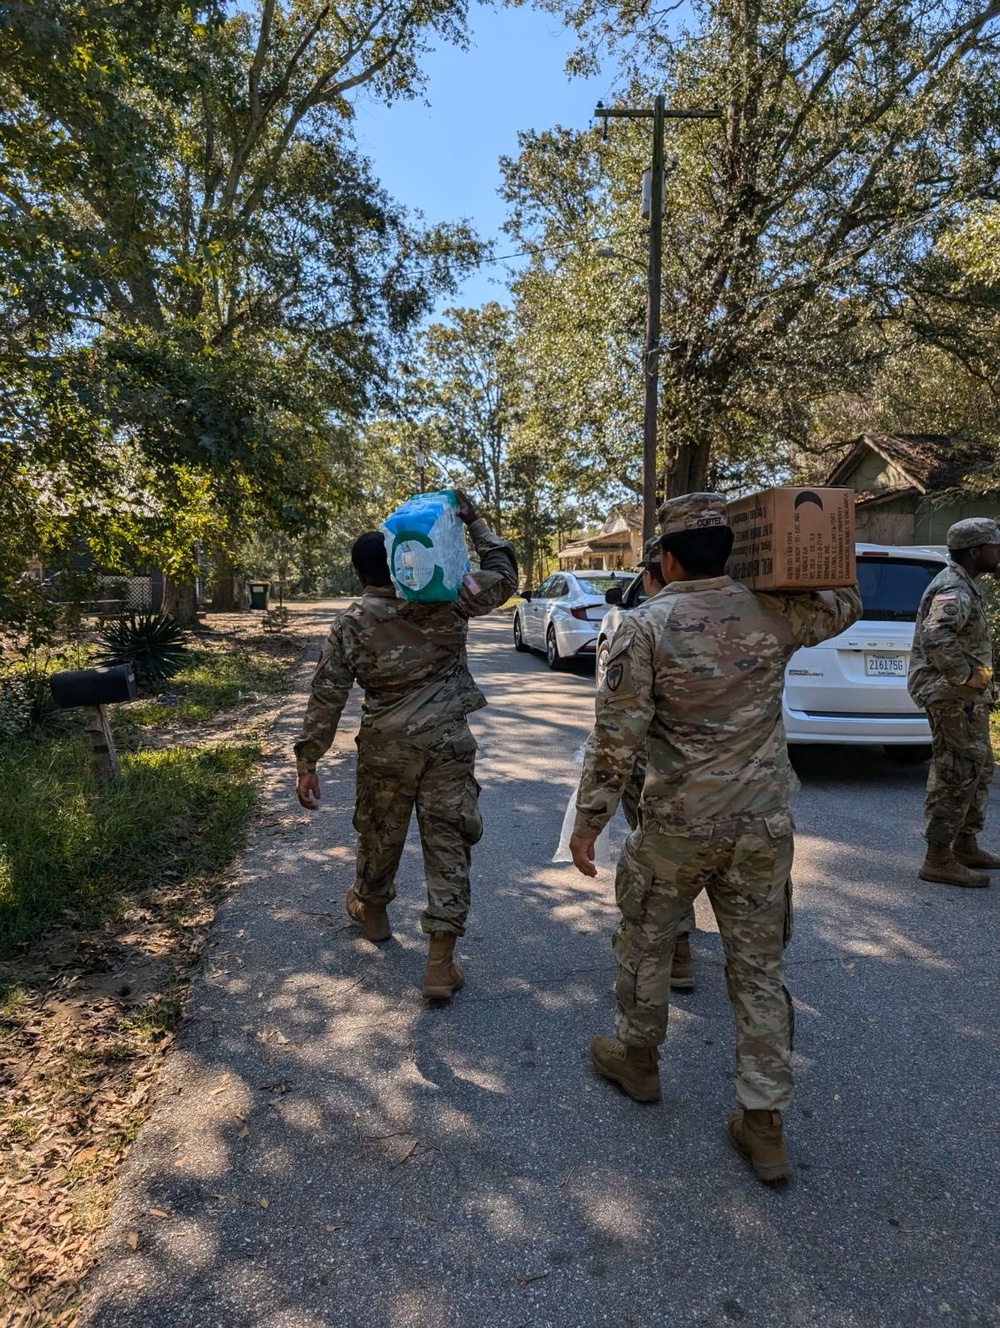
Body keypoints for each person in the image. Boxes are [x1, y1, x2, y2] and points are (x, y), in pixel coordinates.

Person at [569, 493, 862, 1184]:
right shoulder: (777, 611)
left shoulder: (646, 627)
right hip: (762, 826)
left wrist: (588, 823)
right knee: (758, 969)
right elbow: (844, 602)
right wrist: (805, 552)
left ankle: (639, 1062)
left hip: (676, 826)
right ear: (729, 552)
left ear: (666, 559)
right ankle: (763, 1127)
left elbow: (616, 739)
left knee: (644, 940)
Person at [294, 491, 517, 1000]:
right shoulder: (449, 598)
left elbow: (326, 694)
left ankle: (373, 914)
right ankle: (440, 962)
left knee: (379, 832)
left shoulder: (351, 621)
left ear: (360, 574)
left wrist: (309, 760)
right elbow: (503, 577)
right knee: (447, 844)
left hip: (384, 748)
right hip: (446, 746)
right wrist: (476, 524)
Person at [619, 536, 697, 992]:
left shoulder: (644, 625)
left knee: (662, 860)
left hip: (658, 771)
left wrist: (589, 816)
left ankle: (680, 952)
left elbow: (619, 725)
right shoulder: (757, 615)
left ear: (657, 571)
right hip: (740, 780)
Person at [907, 517, 1000, 889]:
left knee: (979, 767)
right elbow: (936, 636)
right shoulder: (952, 588)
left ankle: (965, 844)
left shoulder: (966, 584)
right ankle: (938, 857)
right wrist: (966, 676)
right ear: (976, 551)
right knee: (956, 770)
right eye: (996, 546)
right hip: (950, 695)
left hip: (964, 698)